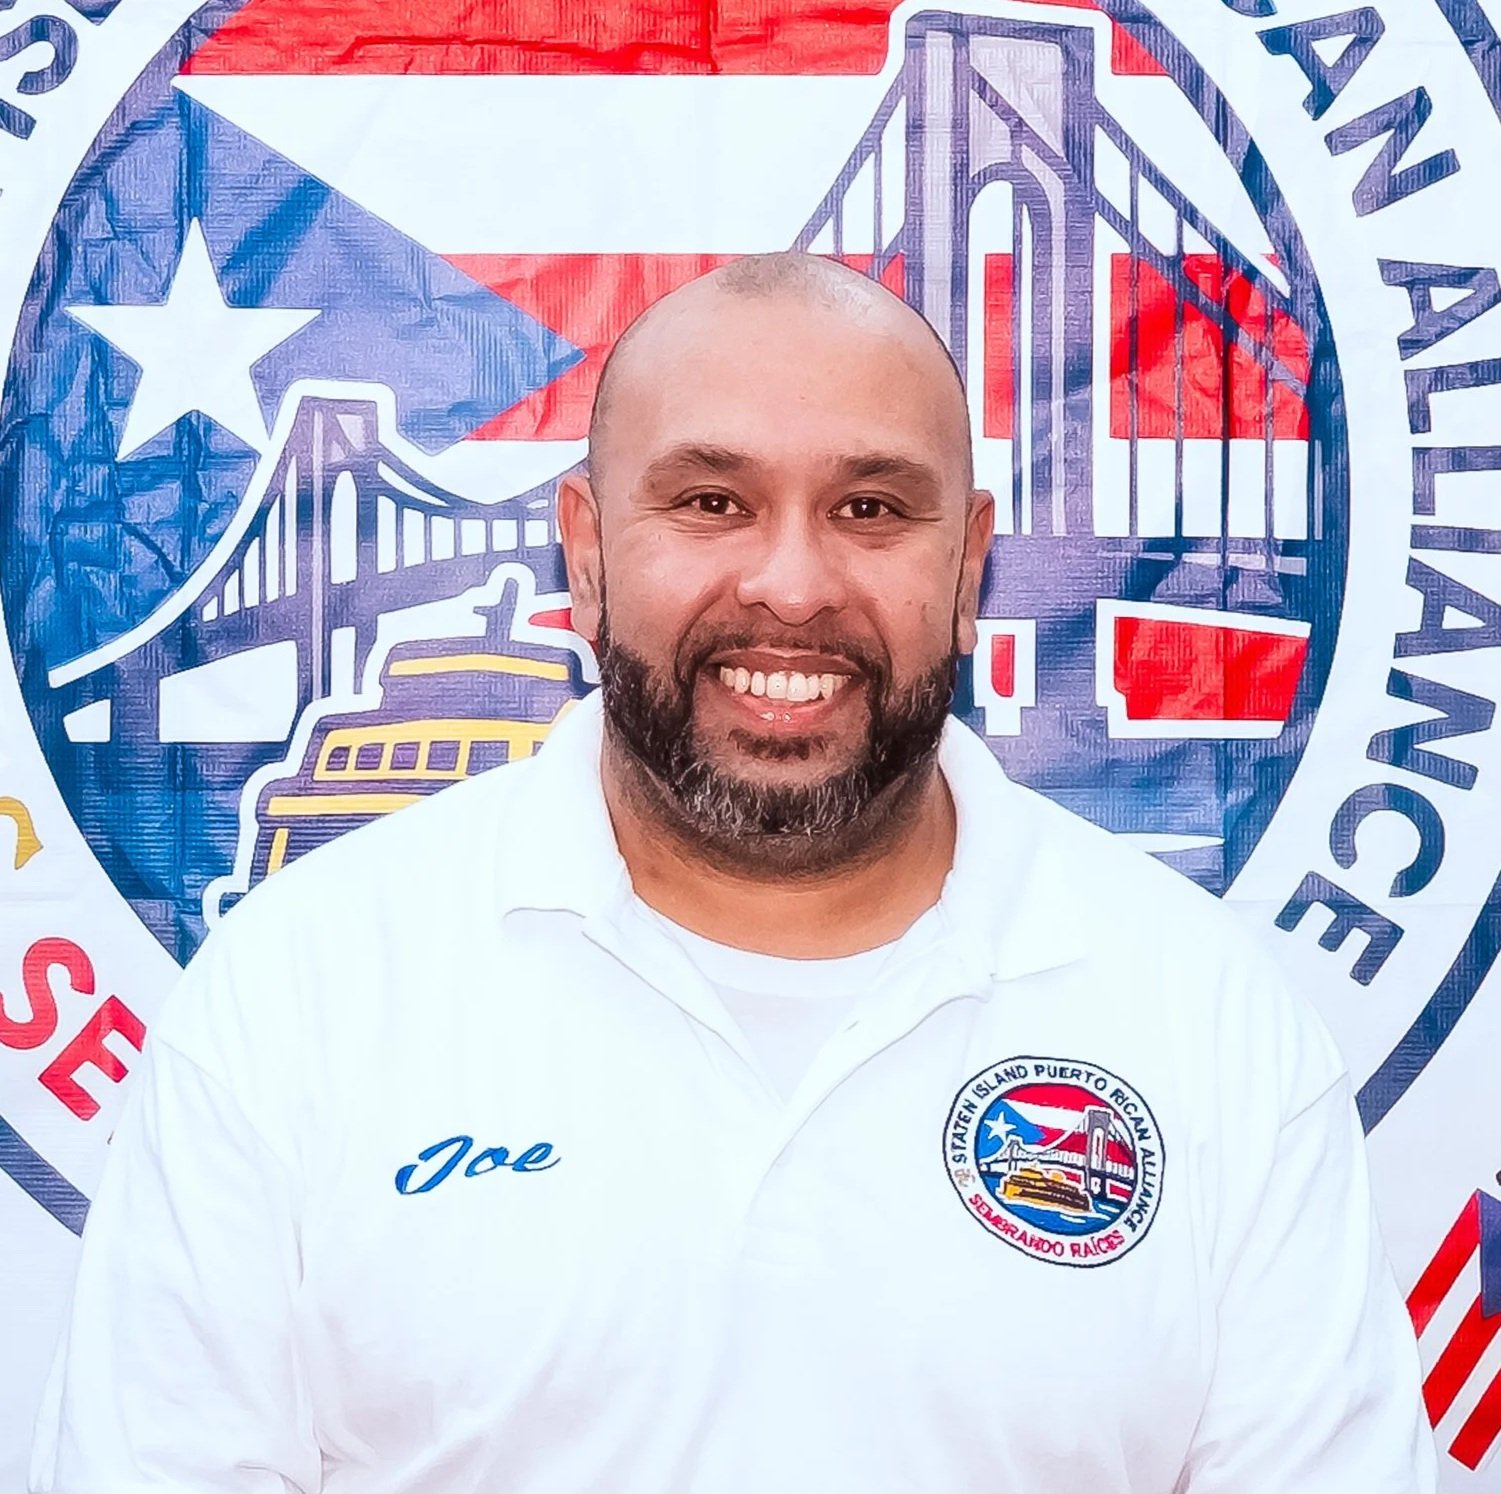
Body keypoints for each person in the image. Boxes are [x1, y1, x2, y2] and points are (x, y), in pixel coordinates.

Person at [31, 254, 1434, 1493]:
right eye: (710, 500)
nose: (791, 582)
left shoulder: (1206, 1023)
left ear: (969, 567)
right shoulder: (300, 998)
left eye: (872, 509)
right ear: (582, 553)